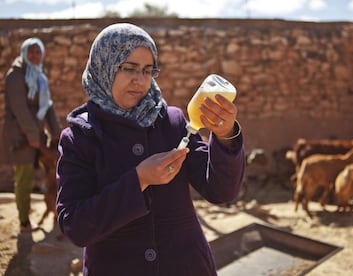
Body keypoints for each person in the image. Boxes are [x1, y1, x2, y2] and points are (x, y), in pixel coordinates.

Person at [56, 23, 245, 275]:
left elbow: (221, 191)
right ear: (104, 66)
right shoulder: (80, 138)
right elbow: (75, 225)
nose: (140, 80)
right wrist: (139, 180)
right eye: (129, 68)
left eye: (148, 70)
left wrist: (224, 136)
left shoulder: (173, 123)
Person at [2, 37, 61, 232]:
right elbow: (20, 110)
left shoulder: (39, 76)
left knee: (51, 174)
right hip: (21, 137)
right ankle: (24, 221)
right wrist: (32, 137)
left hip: (37, 137)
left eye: (38, 52)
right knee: (24, 178)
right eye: (31, 51)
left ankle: (52, 212)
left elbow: (48, 106)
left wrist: (56, 132)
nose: (35, 55)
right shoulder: (15, 76)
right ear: (24, 53)